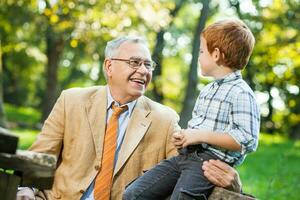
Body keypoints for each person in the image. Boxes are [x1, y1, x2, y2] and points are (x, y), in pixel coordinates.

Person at [16, 36, 242, 200]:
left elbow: (188, 168)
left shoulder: (165, 119)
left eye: (147, 64)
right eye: (134, 62)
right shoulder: (71, 100)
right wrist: (26, 188)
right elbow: (40, 156)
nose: (144, 71)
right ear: (109, 66)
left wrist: (233, 183)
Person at [123, 19, 260, 200]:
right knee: (133, 194)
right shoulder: (208, 90)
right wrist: (185, 137)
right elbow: (198, 127)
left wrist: (200, 135)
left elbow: (246, 140)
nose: (199, 56)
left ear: (216, 54)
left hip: (208, 163)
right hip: (186, 156)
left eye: (202, 51)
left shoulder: (241, 92)